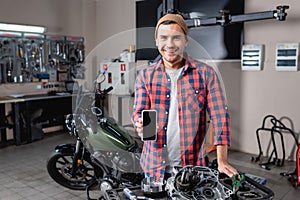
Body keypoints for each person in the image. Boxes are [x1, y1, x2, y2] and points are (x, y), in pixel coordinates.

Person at [132, 13, 238, 180]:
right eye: (164, 38)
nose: (170, 44)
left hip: (192, 167)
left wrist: (222, 160)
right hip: (154, 167)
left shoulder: (205, 73)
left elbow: (220, 117)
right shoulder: (144, 76)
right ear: (157, 42)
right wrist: (139, 123)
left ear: (186, 41)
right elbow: (139, 112)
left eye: (176, 38)